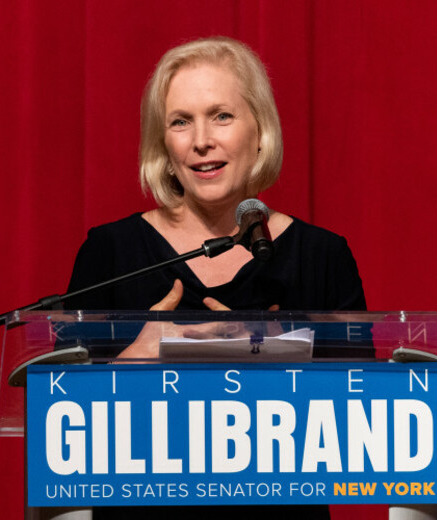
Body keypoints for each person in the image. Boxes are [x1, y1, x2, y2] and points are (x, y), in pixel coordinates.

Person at [65, 36, 366, 520]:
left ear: (260, 130)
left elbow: (367, 427)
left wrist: (276, 367)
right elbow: (56, 427)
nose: (201, 139)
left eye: (221, 116)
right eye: (180, 122)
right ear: (162, 143)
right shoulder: (111, 252)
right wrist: (128, 364)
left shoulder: (321, 257)